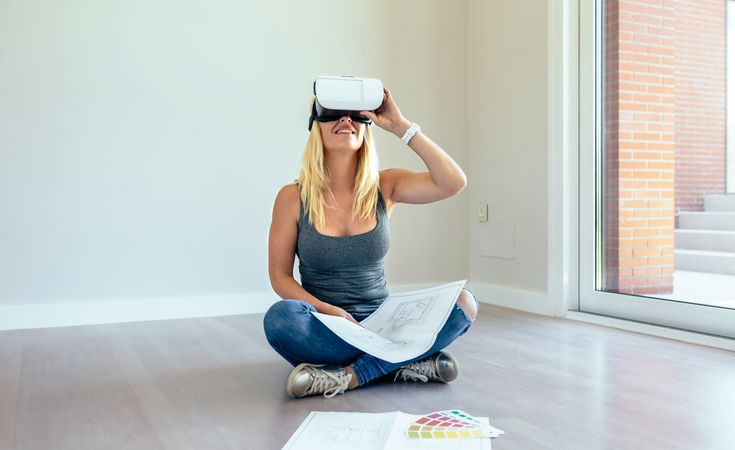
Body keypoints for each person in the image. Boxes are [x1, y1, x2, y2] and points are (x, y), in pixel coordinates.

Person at [263, 85, 478, 399]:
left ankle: (351, 376)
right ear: (315, 124)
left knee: (465, 301)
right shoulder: (292, 197)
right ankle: (401, 364)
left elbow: (453, 182)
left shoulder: (386, 185)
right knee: (280, 318)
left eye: (355, 116)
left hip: (384, 325)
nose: (345, 120)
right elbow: (280, 276)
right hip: (328, 326)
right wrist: (327, 309)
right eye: (332, 114)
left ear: (366, 126)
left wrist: (401, 127)